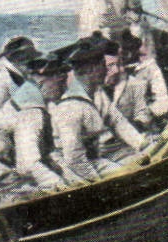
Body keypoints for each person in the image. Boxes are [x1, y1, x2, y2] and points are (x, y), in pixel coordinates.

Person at [0, 55, 70, 191]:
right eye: (60, 82)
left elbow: (49, 152)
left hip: (6, 175)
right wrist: (61, 185)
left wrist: (70, 174)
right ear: (41, 80)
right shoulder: (30, 111)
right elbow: (28, 165)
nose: (64, 88)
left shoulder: (33, 100)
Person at [53, 44, 149, 181]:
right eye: (104, 66)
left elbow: (117, 121)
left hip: (95, 157)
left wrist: (141, 144)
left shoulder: (97, 92)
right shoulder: (70, 107)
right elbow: (73, 158)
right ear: (91, 70)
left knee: (145, 157)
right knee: (127, 176)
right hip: (71, 168)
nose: (108, 71)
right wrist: (98, 182)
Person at [109, 31, 168, 130]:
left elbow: (161, 97)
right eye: (122, 53)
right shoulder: (119, 70)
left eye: (128, 52)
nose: (124, 56)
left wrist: (148, 115)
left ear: (136, 51)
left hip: (146, 120)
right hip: (123, 123)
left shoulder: (150, 69)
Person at [0, 35, 41, 115]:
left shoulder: (25, 73)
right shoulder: (5, 77)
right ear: (14, 61)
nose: (29, 65)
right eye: (24, 60)